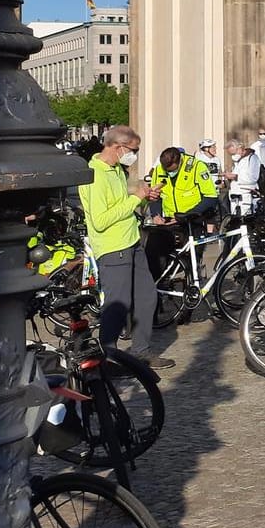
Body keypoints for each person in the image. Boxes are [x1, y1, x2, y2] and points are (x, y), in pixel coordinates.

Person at [81, 126, 173, 369]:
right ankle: (107, 359)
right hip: (113, 248)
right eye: (133, 150)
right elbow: (101, 220)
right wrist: (135, 198)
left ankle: (141, 351)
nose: (136, 155)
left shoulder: (116, 170)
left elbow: (123, 200)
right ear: (117, 147)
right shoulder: (95, 174)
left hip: (131, 241)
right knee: (118, 305)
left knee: (146, 297)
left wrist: (144, 194)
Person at [144, 146, 219, 280]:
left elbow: (211, 197)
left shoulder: (196, 167)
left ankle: (192, 284)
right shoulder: (159, 169)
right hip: (168, 220)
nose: (169, 173)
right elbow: (155, 196)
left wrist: (186, 216)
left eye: (172, 171)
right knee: (156, 255)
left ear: (180, 162)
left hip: (192, 220)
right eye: (166, 171)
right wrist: (156, 215)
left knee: (192, 259)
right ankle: (159, 286)